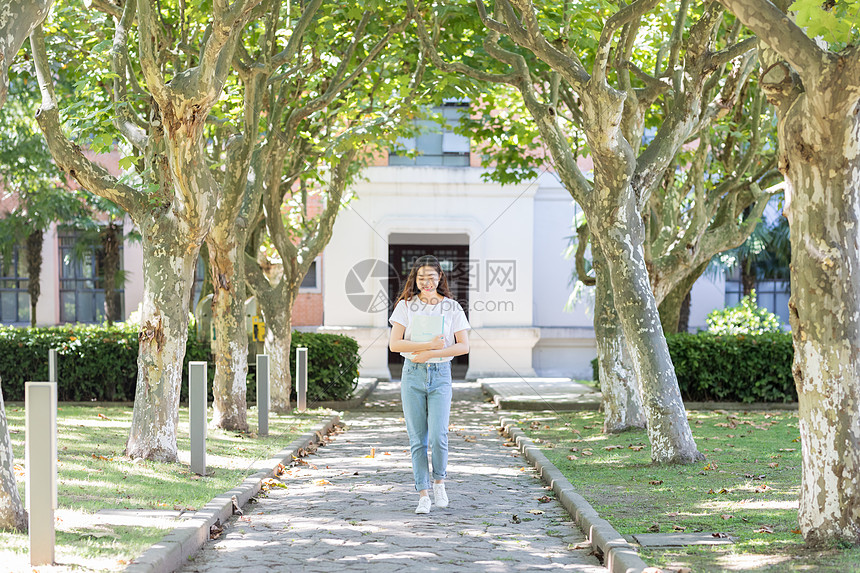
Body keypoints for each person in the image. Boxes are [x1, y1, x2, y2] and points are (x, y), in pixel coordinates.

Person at [388, 255, 471, 514]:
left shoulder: (452, 307)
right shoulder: (405, 306)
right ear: (415, 279)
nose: (426, 282)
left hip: (440, 375)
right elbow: (395, 344)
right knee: (417, 439)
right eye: (421, 277)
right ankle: (423, 494)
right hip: (412, 374)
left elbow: (463, 346)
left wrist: (433, 354)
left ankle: (439, 483)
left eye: (432, 277)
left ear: (440, 278)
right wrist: (427, 347)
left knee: (438, 435)